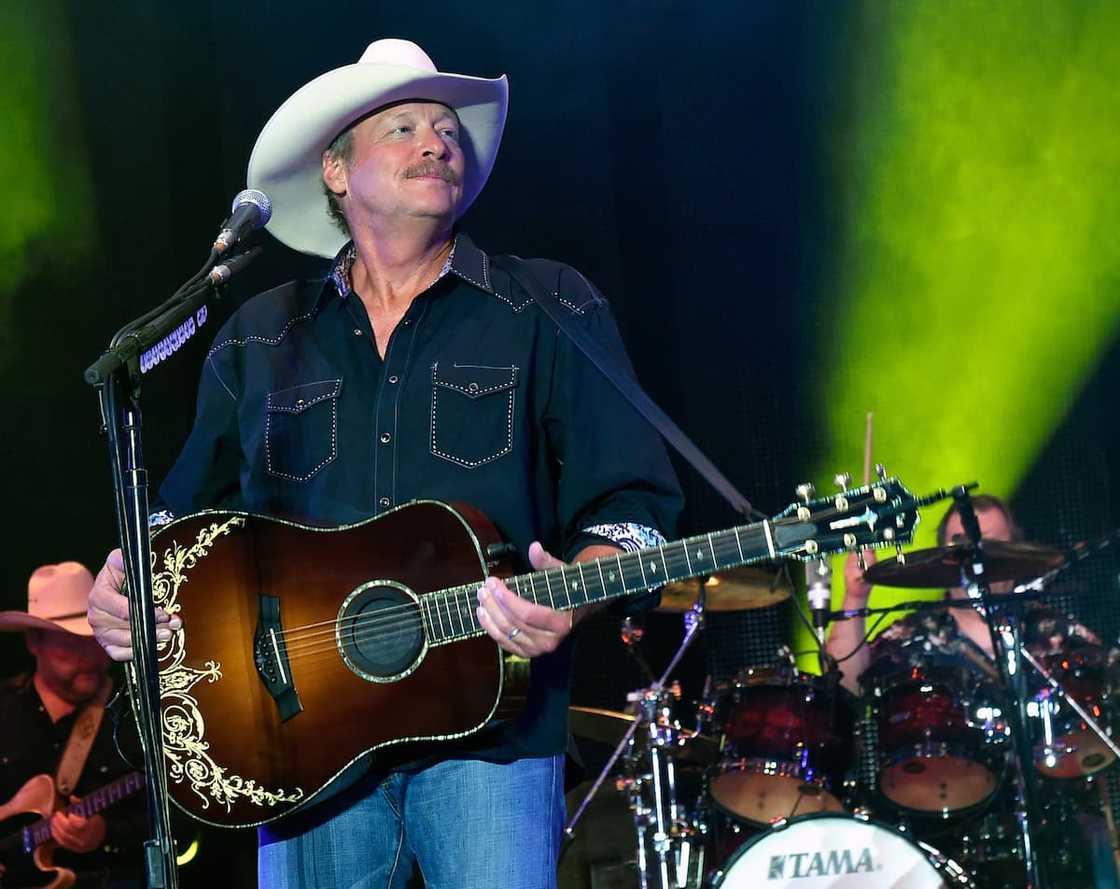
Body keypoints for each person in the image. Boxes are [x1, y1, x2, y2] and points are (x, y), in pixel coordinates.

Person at [86, 38, 682, 889]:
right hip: (295, 743)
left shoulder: (545, 304)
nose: (437, 141)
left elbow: (633, 501)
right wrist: (131, 592)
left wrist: (572, 602)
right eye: (403, 126)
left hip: (492, 736)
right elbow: (182, 523)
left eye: (446, 127)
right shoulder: (261, 336)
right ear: (335, 170)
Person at [0, 562, 145, 889]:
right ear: (34, 641)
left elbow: (180, 824)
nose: (88, 653)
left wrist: (105, 833)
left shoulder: (134, 715)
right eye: (70, 641)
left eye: (95, 637)